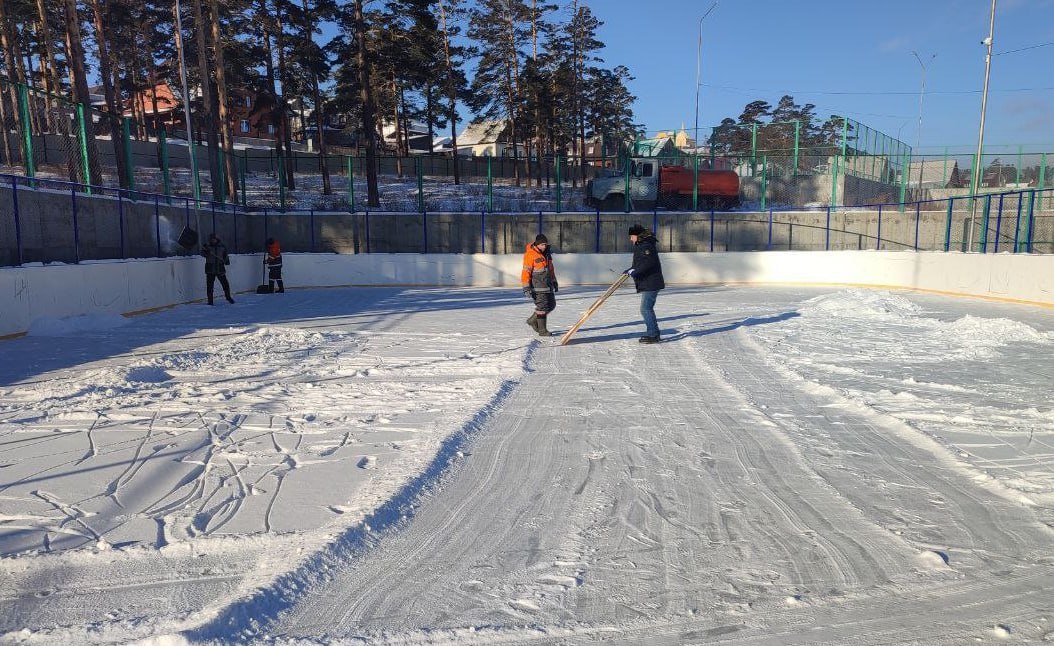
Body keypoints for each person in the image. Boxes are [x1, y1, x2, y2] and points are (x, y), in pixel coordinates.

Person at [623, 224, 665, 343]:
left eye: (632, 236)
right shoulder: (643, 245)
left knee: (646, 309)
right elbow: (640, 263)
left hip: (651, 282)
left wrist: (634, 271)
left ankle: (653, 334)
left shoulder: (645, 246)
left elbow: (647, 263)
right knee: (646, 308)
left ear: (637, 236)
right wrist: (630, 270)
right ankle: (653, 333)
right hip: (649, 282)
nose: (631, 239)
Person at [521, 233, 558, 337]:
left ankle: (532, 320)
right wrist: (526, 287)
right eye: (542, 244)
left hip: (548, 285)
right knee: (542, 307)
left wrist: (554, 281)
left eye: (545, 244)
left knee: (551, 305)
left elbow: (551, 270)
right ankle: (542, 331)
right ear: (537, 244)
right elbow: (525, 272)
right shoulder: (530, 254)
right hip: (537, 286)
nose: (544, 246)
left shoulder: (547, 254)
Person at [201, 233, 235, 305]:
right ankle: (210, 301)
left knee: (225, 284)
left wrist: (226, 261)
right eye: (212, 239)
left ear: (217, 239)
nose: (213, 240)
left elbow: (225, 256)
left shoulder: (222, 247)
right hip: (210, 269)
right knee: (210, 286)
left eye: (214, 239)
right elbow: (203, 254)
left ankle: (228, 297)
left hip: (220, 269)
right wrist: (206, 252)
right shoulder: (207, 246)